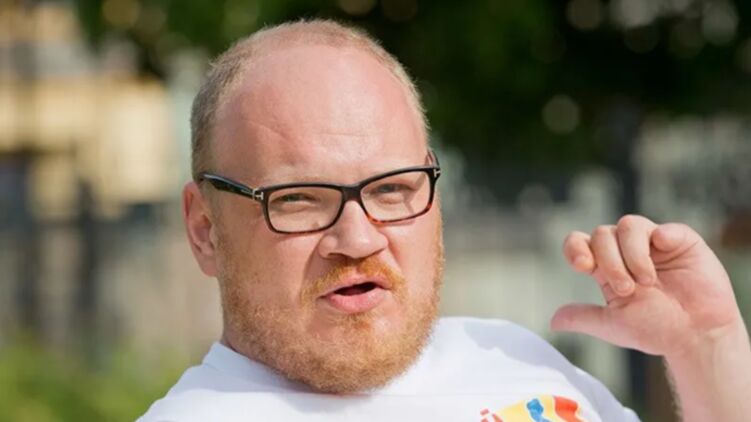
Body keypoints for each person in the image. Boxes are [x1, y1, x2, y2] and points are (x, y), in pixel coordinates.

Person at [138, 19, 751, 422]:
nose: (358, 238)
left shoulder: (512, 354)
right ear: (204, 230)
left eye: (392, 189)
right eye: (298, 199)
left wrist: (705, 350)